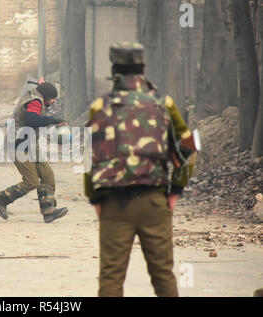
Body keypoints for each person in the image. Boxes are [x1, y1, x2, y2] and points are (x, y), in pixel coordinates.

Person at [84, 42, 197, 297]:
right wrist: (175, 192)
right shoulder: (163, 103)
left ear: (114, 71)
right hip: (154, 200)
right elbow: (189, 149)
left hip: (114, 202)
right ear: (143, 69)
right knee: (163, 275)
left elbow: (87, 156)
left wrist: (95, 198)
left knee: (111, 277)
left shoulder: (100, 107)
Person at [0, 77, 69, 223]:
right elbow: (31, 119)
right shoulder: (35, 101)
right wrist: (53, 119)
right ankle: (1, 199)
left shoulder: (37, 97)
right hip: (18, 144)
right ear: (46, 96)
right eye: (52, 99)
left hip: (31, 144)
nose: (53, 102)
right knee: (31, 181)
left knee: (47, 175)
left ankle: (49, 211)